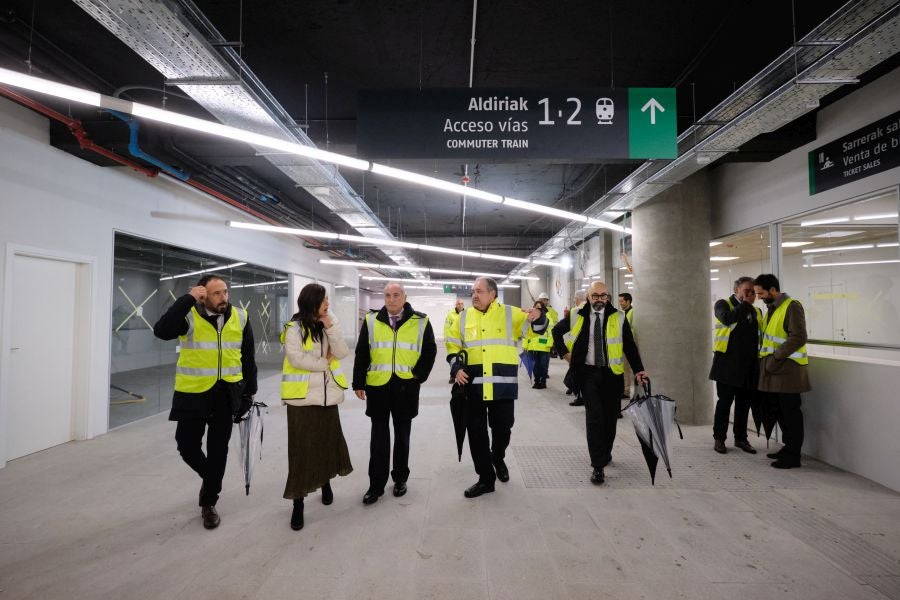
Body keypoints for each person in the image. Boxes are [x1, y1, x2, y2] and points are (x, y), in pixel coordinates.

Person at [152, 275, 257, 530]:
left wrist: (248, 393)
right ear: (202, 295)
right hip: (194, 393)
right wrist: (187, 299)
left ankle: (208, 503)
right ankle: (212, 479)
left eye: (225, 292)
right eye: (217, 293)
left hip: (226, 395)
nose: (224, 298)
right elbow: (161, 330)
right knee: (186, 446)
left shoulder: (240, 317)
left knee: (218, 450)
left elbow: (248, 356)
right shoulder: (188, 315)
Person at [447, 277, 544, 498]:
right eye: (473, 291)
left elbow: (536, 329)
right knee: (476, 434)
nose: (474, 295)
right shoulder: (463, 317)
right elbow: (452, 346)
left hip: (503, 386)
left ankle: (497, 457)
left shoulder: (511, 314)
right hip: (474, 387)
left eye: (479, 291)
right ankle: (485, 478)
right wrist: (456, 368)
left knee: (503, 429)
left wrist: (539, 315)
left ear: (493, 294)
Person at [552, 280, 647, 485]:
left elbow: (629, 346)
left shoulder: (618, 316)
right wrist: (565, 354)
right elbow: (556, 332)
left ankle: (605, 452)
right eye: (596, 296)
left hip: (612, 375)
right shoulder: (577, 314)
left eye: (604, 296)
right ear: (588, 296)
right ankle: (597, 465)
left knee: (610, 419)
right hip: (587, 374)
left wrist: (639, 370)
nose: (600, 300)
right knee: (594, 418)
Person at [353, 282, 436, 504]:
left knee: (402, 437)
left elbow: (430, 351)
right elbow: (362, 353)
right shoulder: (371, 321)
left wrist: (419, 375)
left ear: (404, 297)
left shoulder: (421, 321)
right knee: (378, 438)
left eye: (396, 295)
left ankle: (400, 479)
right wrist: (358, 382)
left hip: (406, 388)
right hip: (378, 387)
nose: (391, 299)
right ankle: (376, 484)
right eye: (387, 295)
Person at [280, 283, 354, 531]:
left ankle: (325, 484)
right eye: (324, 300)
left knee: (326, 444)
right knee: (301, 451)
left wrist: (330, 327)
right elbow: (296, 358)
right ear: (312, 302)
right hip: (301, 401)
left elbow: (342, 352)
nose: (328, 304)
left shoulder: (329, 321)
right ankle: (298, 504)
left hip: (327, 398)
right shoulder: (294, 328)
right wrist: (324, 362)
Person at [754, 274, 810, 469]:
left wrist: (776, 357)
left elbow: (799, 337)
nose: (759, 297)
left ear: (773, 290)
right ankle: (788, 448)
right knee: (781, 413)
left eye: (761, 293)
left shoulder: (792, 306)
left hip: (788, 370)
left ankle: (794, 456)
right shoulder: (772, 309)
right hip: (775, 371)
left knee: (791, 413)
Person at [709, 277, 763, 455]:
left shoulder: (756, 311)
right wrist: (746, 304)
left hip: (748, 367)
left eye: (752, 292)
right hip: (726, 366)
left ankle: (741, 438)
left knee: (743, 404)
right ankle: (719, 438)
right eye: (747, 291)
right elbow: (726, 319)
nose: (750, 295)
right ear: (737, 289)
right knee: (724, 403)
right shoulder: (723, 304)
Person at [522, 300, 554, 389]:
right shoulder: (531, 317)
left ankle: (543, 382)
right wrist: (525, 345)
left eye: (539, 307)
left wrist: (550, 343)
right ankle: (536, 381)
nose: (537, 309)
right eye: (536, 307)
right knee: (535, 366)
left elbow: (551, 331)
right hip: (533, 346)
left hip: (544, 346)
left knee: (543, 365)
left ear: (543, 307)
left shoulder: (548, 317)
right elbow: (526, 332)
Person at [566, 290, 588, 406]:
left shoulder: (575, 311)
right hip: (587, 350)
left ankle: (580, 397)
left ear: (577, 298)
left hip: (577, 350)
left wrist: (564, 352)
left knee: (578, 375)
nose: (574, 300)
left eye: (575, 298)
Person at [618, 292, 635, 399]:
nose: (620, 303)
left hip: (629, 345)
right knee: (625, 369)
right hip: (622, 344)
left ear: (628, 301)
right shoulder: (622, 313)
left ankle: (627, 391)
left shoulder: (632, 313)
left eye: (622, 301)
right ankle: (625, 390)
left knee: (628, 369)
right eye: (619, 301)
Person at [444, 298, 466, 383]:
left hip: (464, 342)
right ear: (456, 305)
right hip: (453, 340)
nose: (460, 305)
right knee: (454, 359)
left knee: (463, 359)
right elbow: (446, 328)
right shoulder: (450, 315)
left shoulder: (466, 314)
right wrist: (447, 340)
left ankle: (462, 374)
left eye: (461, 304)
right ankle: (452, 376)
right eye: (458, 304)